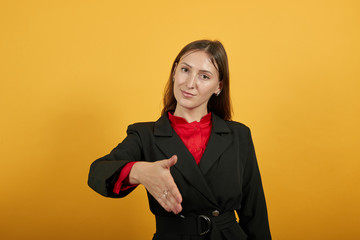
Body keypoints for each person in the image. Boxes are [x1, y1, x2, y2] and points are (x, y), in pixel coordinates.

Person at [88, 39, 271, 240]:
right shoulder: (145, 135)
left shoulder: (239, 135)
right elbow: (97, 172)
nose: (190, 83)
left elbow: (255, 212)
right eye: (185, 70)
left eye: (204, 76)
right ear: (175, 71)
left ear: (218, 86)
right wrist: (138, 171)